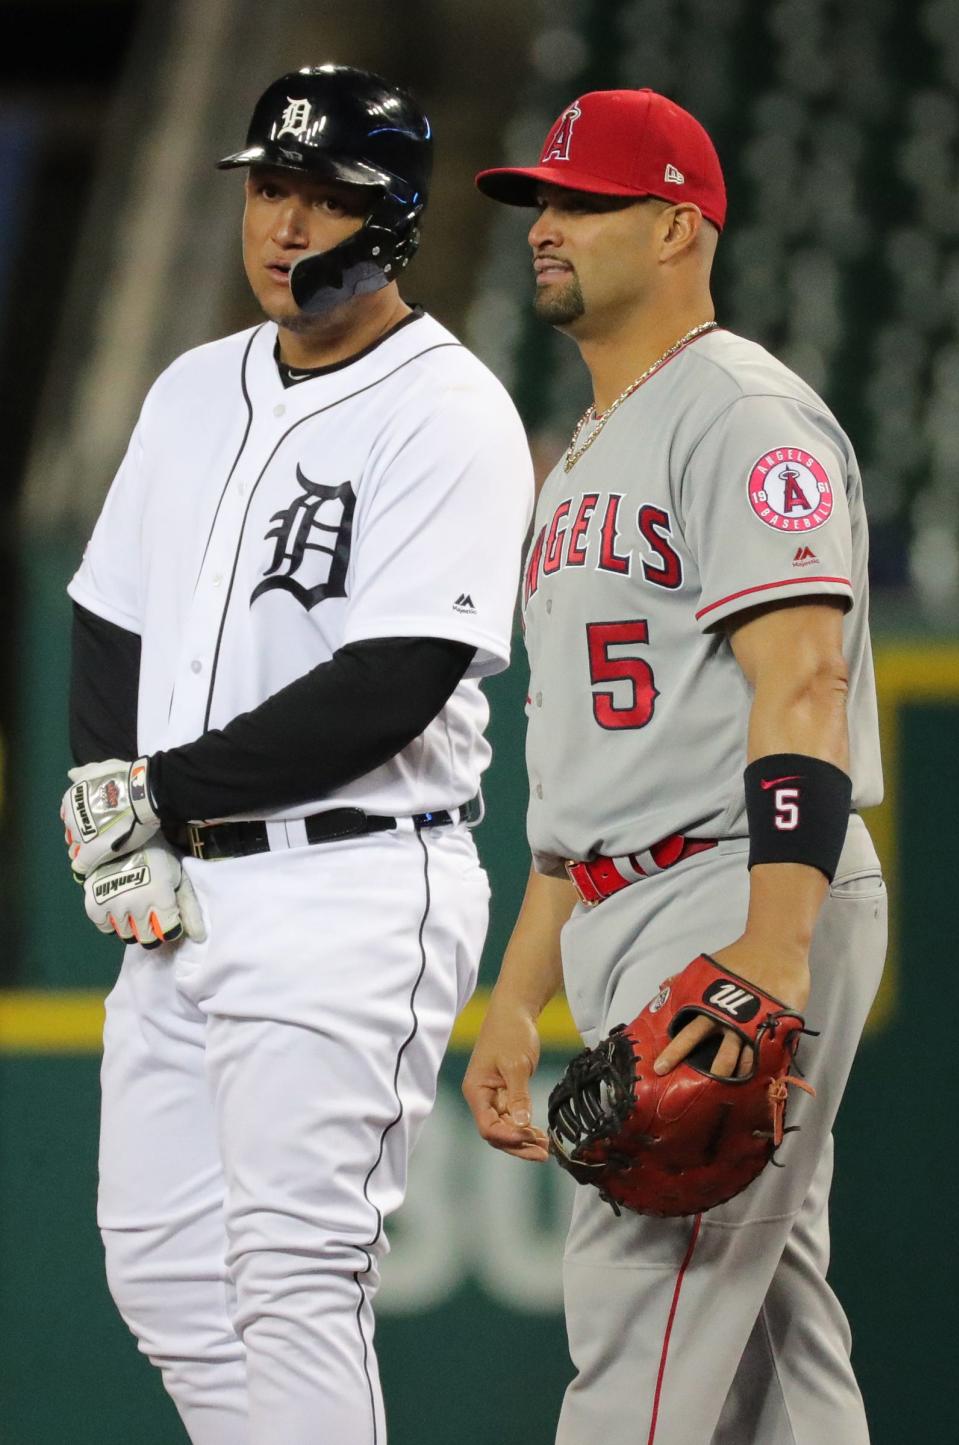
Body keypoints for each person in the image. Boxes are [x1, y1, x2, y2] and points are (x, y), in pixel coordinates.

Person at [60, 64, 533, 1445]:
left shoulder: (447, 409)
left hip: (353, 887)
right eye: (270, 187)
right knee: (161, 1267)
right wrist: (111, 796)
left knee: (293, 1274)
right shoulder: (195, 388)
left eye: (323, 199)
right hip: (187, 888)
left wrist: (157, 793)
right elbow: (108, 612)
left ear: (387, 223)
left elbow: (394, 681)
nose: (282, 225)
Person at [464, 88, 885, 1445]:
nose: (547, 223)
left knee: (642, 1315)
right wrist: (519, 998)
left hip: (736, 888)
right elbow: (582, 785)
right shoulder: (589, 450)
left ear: (682, 225)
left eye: (584, 200)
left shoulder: (746, 415)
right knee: (772, 1337)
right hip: (629, 894)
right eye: (543, 197)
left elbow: (802, 680)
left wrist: (774, 944)